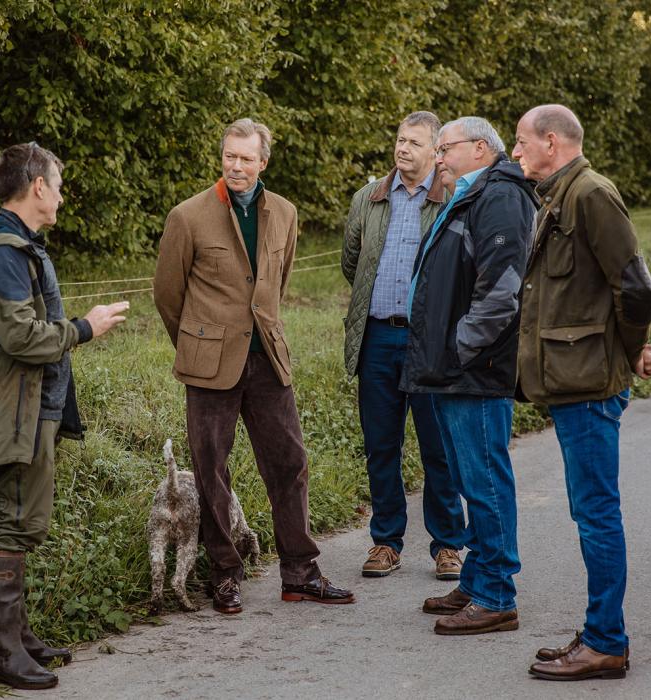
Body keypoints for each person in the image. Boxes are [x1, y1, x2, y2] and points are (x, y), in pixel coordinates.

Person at [153, 118, 354, 615]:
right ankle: (224, 574)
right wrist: (200, 341)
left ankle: (300, 575)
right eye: (229, 156)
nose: (236, 166)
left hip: (267, 359)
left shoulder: (284, 212)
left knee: (289, 464)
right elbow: (167, 296)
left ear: (264, 162)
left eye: (246, 158)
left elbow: (276, 286)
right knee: (210, 471)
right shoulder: (188, 216)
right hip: (209, 365)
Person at [512, 104, 651, 681]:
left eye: (522, 141)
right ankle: (601, 630)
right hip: (571, 379)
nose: (515, 151)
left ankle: (606, 641)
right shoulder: (560, 193)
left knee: (597, 512)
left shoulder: (590, 194)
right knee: (590, 509)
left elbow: (636, 288)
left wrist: (629, 351)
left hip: (588, 382)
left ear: (551, 141)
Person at [0, 142, 129, 690]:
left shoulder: (22, 245)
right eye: (58, 185)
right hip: (14, 405)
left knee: (25, 521)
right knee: (14, 520)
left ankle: (19, 638)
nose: (62, 195)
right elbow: (20, 336)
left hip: (35, 404)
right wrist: (86, 327)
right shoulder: (2, 250)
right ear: (38, 186)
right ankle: (2, 655)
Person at [401, 117, 537, 635]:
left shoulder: (500, 195)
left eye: (445, 147)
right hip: (454, 369)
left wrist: (460, 347)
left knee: (485, 483)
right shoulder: (471, 193)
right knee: (468, 479)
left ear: (480, 148)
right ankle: (479, 579)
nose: (437, 157)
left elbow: (503, 288)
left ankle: (498, 594)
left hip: (475, 370)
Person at [342, 111, 466, 579]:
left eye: (414, 143)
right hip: (377, 336)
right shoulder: (369, 197)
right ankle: (386, 542)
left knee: (438, 447)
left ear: (436, 152)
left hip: (430, 342)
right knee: (381, 445)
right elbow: (352, 263)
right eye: (399, 140)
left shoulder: (451, 197)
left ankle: (449, 544)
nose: (402, 149)